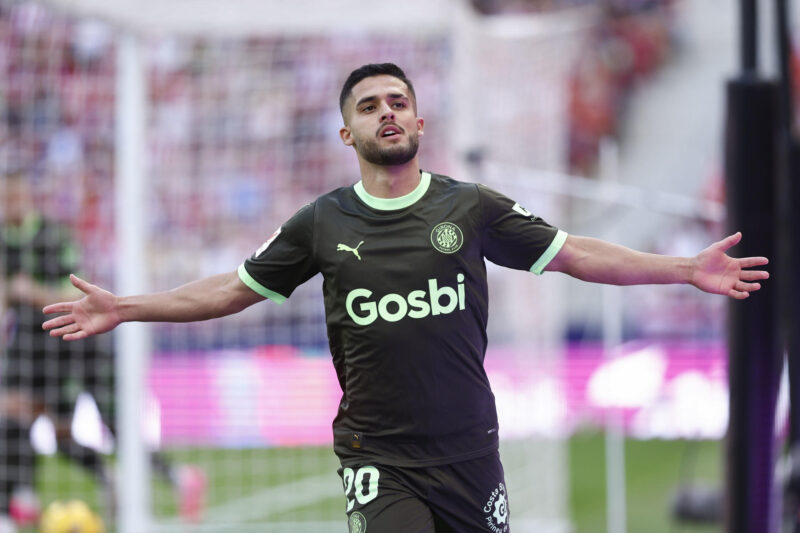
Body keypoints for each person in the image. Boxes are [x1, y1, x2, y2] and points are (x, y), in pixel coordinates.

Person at [43, 63, 769, 533]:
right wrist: (127, 306)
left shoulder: (470, 207)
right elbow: (232, 289)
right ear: (347, 131)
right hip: (379, 454)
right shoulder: (321, 222)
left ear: (419, 122)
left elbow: (575, 253)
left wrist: (684, 268)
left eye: (398, 102)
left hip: (470, 448)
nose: (386, 112)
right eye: (369, 106)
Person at [0, 171, 204, 532]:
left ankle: (177, 478)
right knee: (32, 420)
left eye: (15, 197)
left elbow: (76, 295)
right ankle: (26, 496)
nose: (10, 205)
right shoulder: (4, 242)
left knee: (111, 427)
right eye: (5, 199)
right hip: (38, 348)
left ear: (28, 197)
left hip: (81, 344)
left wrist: (31, 292)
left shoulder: (52, 235)